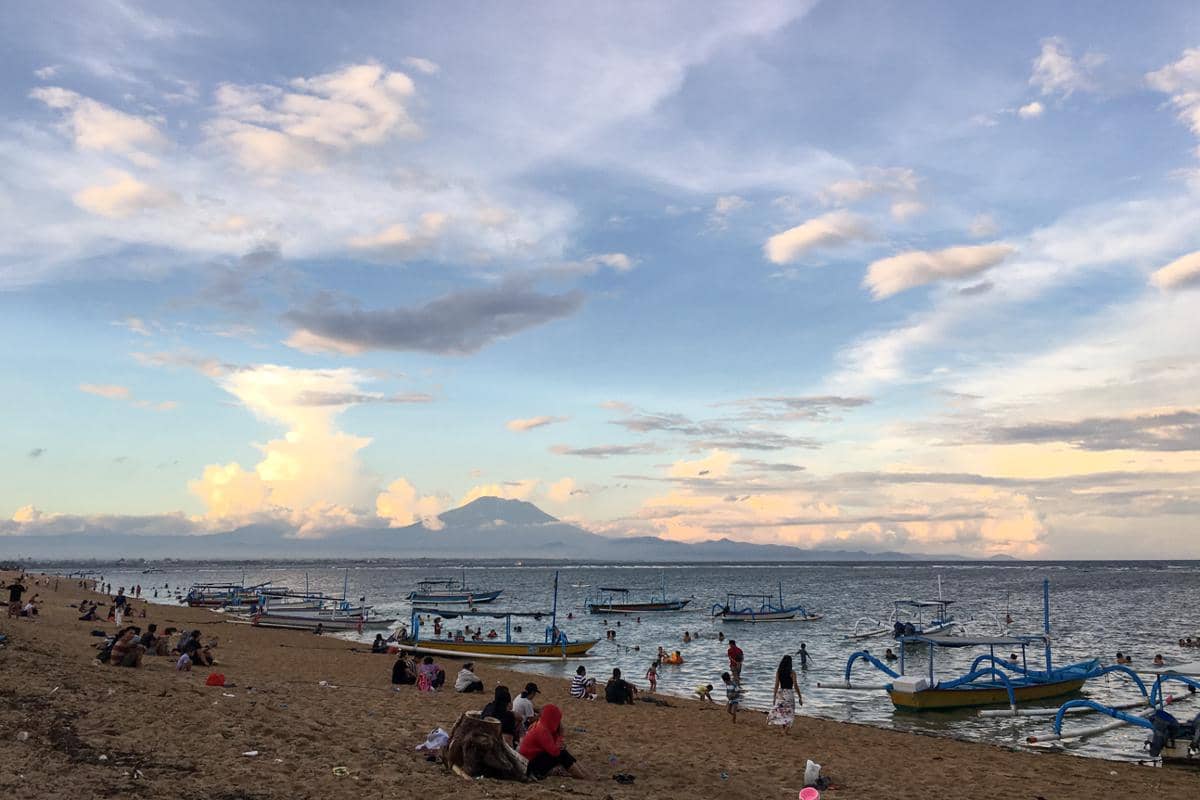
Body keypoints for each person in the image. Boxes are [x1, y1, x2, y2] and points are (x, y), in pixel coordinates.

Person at [518, 704, 587, 780]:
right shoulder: (542, 730)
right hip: (529, 767)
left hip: (530, 762)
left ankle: (583, 772)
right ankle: (581, 775)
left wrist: (558, 738)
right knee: (562, 754)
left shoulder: (541, 725)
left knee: (563, 752)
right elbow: (555, 752)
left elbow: (554, 746)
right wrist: (560, 735)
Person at [768, 654, 801, 734]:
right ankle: (785, 731)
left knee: (781, 711)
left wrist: (774, 697)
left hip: (781, 693)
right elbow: (795, 685)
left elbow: (776, 685)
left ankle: (783, 729)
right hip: (789, 694)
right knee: (790, 712)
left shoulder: (779, 672)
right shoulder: (792, 672)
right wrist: (800, 697)